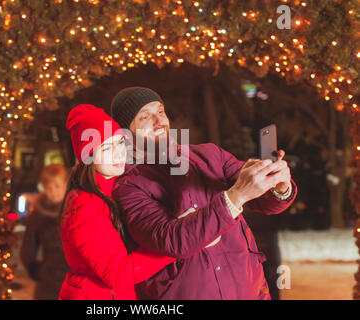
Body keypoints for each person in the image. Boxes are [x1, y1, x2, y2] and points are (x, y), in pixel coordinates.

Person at [110, 87, 298, 300]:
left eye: (160, 111)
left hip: (248, 291)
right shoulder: (128, 186)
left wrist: (279, 186)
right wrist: (235, 197)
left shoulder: (209, 155)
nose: (159, 121)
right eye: (145, 116)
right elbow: (171, 240)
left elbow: (266, 203)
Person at [59, 104, 176, 300]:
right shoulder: (82, 206)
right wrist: (178, 243)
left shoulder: (119, 188)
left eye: (120, 142)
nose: (119, 152)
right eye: (106, 146)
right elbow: (119, 274)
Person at [20, 164, 70, 300]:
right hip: (49, 283)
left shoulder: (77, 209)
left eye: (57, 186)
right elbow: (27, 250)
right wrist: (38, 272)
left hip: (76, 281)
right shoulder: (38, 215)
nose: (53, 191)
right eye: (49, 187)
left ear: (66, 184)